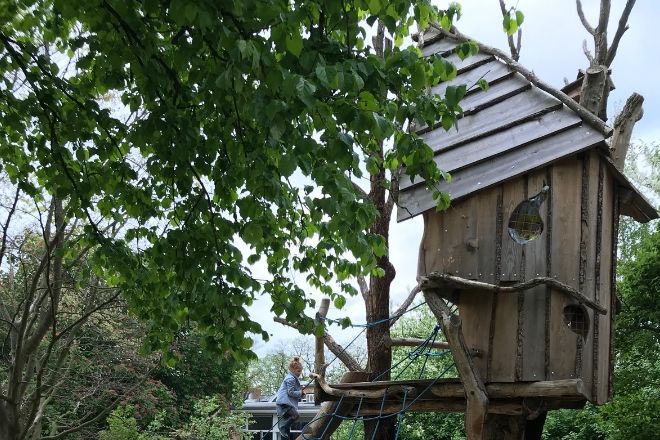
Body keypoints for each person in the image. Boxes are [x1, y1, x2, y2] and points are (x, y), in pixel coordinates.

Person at [275, 356, 306, 440]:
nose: (300, 373)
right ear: (292, 370)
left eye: (300, 371)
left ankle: (285, 432)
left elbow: (294, 393)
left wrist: (301, 394)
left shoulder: (293, 379)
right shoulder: (291, 379)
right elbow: (291, 392)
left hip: (285, 403)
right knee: (295, 416)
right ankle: (282, 427)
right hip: (284, 403)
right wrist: (300, 392)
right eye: (298, 371)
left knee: (288, 429)